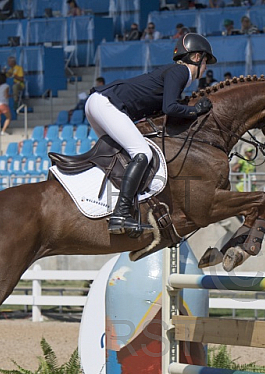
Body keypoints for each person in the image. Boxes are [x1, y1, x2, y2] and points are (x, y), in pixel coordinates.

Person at [84, 33, 216, 235]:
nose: (206, 67)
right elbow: (170, 107)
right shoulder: (180, 71)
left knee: (119, 155)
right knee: (142, 153)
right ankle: (120, 214)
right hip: (107, 103)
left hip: (99, 102)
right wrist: (195, 111)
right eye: (206, 61)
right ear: (197, 57)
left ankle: (106, 204)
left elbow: (163, 109)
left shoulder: (174, 73)